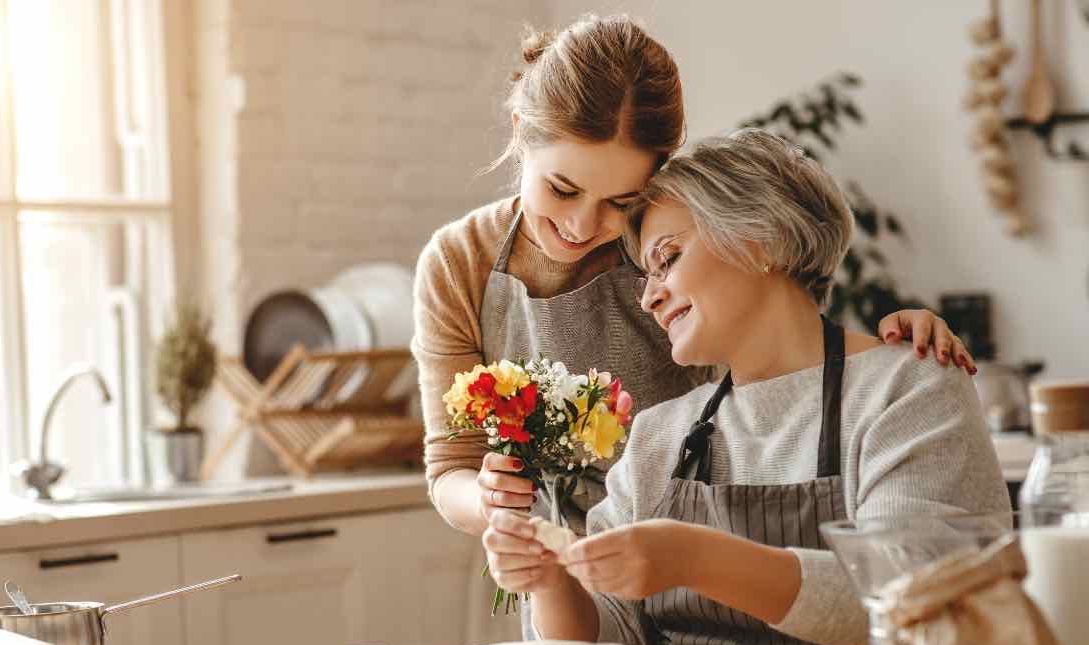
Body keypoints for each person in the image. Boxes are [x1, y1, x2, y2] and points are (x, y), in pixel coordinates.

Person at [413, 14, 973, 541]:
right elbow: (450, 467)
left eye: (621, 200)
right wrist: (492, 502)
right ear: (520, 132)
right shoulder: (459, 264)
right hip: (555, 569)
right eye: (562, 189)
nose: (582, 225)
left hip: (693, 555)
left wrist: (885, 351)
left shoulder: (667, 241)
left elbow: (779, 364)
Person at [481, 129, 1011, 645]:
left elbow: (917, 596)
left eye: (668, 258)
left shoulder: (907, 388)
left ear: (761, 239)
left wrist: (694, 556)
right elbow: (608, 640)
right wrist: (550, 582)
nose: (648, 296)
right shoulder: (659, 435)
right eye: (645, 274)